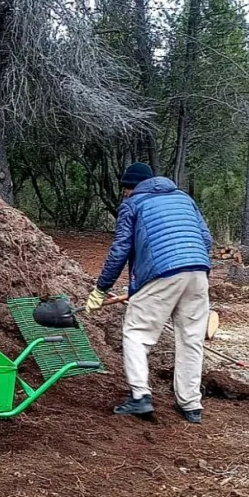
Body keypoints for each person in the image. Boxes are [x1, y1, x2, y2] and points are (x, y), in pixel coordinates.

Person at [87, 163, 212, 423]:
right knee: (191, 339)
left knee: (136, 333)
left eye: (125, 190)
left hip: (162, 273)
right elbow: (206, 239)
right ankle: (190, 406)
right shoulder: (183, 198)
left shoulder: (133, 204)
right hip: (199, 271)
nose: (124, 194)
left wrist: (101, 288)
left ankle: (140, 397)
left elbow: (120, 249)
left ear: (130, 188)